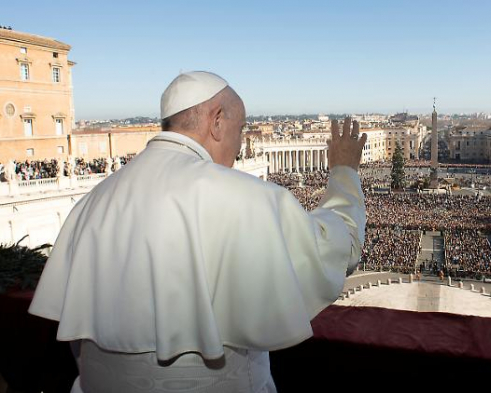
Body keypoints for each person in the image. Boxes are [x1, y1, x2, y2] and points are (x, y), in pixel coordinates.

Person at [28, 71, 368, 393]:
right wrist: (343, 172)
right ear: (217, 122)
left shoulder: (90, 203)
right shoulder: (245, 197)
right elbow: (340, 248)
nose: (240, 146)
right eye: (241, 129)